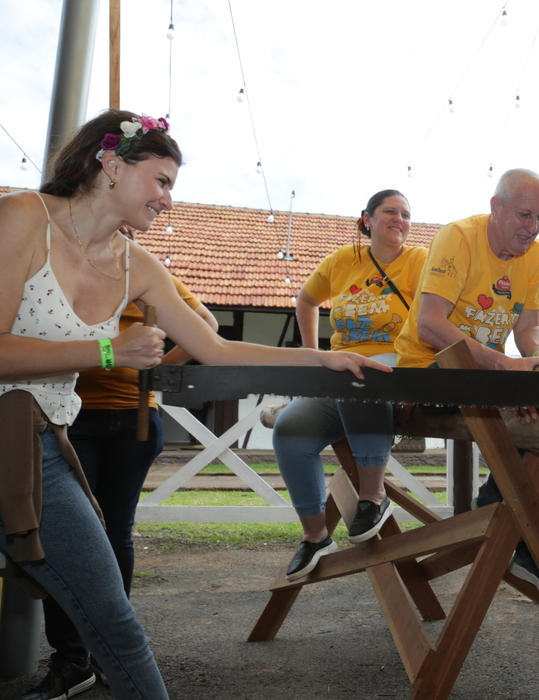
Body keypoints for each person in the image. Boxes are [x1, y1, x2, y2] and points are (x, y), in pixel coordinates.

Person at [0, 109, 387, 700]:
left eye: (171, 187)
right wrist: (110, 350)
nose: (168, 201)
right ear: (110, 164)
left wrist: (321, 359)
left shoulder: (141, 266)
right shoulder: (22, 217)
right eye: (161, 181)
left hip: (38, 449)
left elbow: (216, 345)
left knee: (116, 623)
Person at [22, 274, 217, 700]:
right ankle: (70, 659)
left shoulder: (144, 271)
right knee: (72, 538)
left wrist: (159, 366)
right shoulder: (65, 266)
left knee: (114, 534)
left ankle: (101, 655)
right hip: (69, 417)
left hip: (135, 419)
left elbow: (207, 324)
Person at [395, 167, 539, 591]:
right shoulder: (458, 238)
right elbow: (431, 325)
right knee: (537, 416)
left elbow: (527, 328)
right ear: (496, 207)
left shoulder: (535, 255)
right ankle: (510, 529)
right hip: (424, 369)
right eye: (524, 215)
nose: (532, 227)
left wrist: (535, 365)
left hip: (483, 374)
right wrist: (507, 369)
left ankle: (513, 527)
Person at [272, 189, 427, 581]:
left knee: (361, 374)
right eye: (390, 211)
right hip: (342, 369)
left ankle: (373, 497)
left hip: (397, 367)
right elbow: (305, 301)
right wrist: (312, 357)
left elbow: (437, 317)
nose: (400, 219)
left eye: (406, 214)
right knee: (289, 430)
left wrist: (417, 377)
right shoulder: (343, 260)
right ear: (367, 219)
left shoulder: (420, 261)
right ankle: (315, 534)